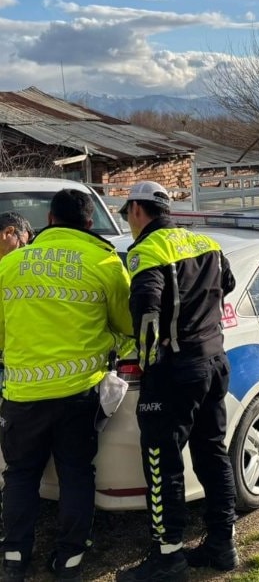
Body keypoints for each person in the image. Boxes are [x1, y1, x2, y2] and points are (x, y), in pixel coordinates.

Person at [0, 190, 133, 582]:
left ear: (50, 219)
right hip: (78, 394)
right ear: (89, 223)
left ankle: (13, 559)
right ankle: (70, 560)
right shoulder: (104, 261)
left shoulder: (11, 264)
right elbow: (127, 324)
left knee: (20, 476)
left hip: (22, 394)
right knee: (76, 474)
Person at [116, 181, 237, 582]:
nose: (129, 222)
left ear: (137, 210)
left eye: (127, 214)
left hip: (176, 370)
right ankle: (222, 544)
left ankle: (168, 557)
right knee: (212, 452)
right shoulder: (206, 242)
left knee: (161, 462)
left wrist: (150, 364)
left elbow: (146, 314)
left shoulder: (147, 250)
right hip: (214, 360)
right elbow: (229, 283)